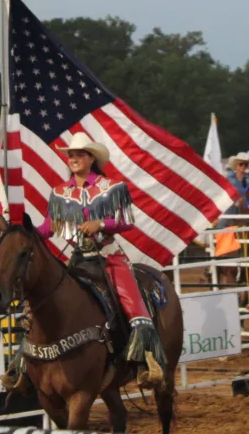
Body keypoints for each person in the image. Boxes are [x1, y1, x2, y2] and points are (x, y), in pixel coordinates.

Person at [33, 133, 165, 388]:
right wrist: (25, 234)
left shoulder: (112, 187)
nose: (73, 159)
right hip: (78, 260)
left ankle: (147, 363)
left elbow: (127, 222)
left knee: (134, 307)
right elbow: (49, 226)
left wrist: (101, 224)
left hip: (108, 258)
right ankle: (23, 366)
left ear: (91, 158)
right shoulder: (59, 193)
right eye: (71, 155)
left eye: (79, 154)